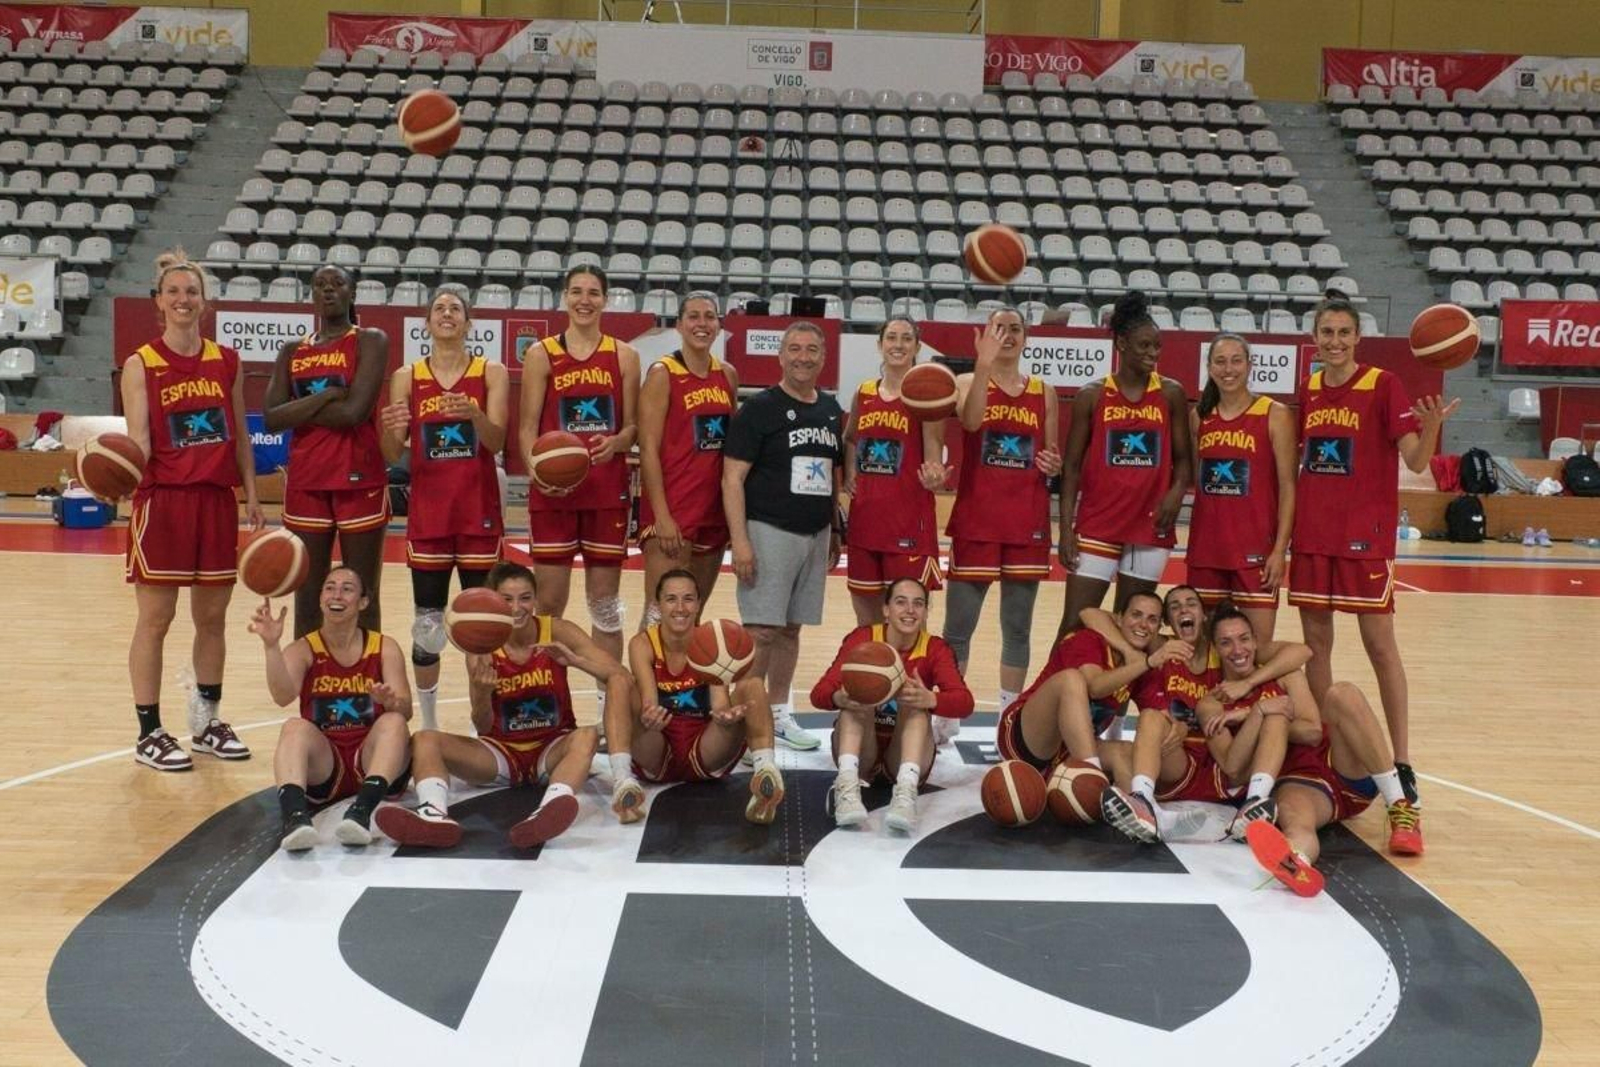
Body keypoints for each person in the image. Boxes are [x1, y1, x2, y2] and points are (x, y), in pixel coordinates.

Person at [1290, 288, 1457, 819]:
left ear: (1358, 338)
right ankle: (1331, 747)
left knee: (1380, 647)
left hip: (1364, 537)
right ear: (1314, 338)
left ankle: (1401, 759)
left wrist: (1430, 429)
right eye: (1326, 332)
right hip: (1313, 535)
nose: (1334, 341)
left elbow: (1415, 458)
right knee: (1316, 645)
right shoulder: (1310, 388)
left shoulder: (1383, 385)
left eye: (1343, 332)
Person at [121, 249, 262, 770]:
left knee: (213, 620)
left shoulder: (226, 360)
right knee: (155, 620)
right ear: (159, 301)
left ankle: (205, 723)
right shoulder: (142, 363)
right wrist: (115, 481)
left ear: (204, 302)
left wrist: (250, 493)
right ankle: (149, 732)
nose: (183, 299)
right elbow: (138, 441)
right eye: (173, 292)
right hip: (164, 502)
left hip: (215, 501)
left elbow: (240, 433)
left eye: (191, 292)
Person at [375, 562, 619, 849]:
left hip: (552, 750)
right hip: (500, 754)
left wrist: (577, 662)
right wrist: (480, 693)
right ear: (493, 603)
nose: (517, 607)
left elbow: (617, 673)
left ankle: (549, 809)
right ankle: (433, 813)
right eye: (507, 599)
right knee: (425, 739)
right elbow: (481, 725)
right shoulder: (481, 645)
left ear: (536, 599)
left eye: (526, 598)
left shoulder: (558, 631)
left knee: (587, 735)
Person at [378, 288, 509, 731]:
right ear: (427, 323)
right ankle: (430, 726)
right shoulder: (406, 376)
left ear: (469, 323)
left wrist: (474, 414)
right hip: (430, 514)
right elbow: (392, 451)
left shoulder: (490, 371)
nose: (448, 313)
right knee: (427, 627)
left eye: (456, 308)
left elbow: (497, 442)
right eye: (440, 308)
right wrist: (390, 430)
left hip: (478, 512)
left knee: (483, 628)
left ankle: (482, 725)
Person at [1099, 596, 1313, 844]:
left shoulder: (1262, 666)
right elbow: (1091, 614)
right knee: (1148, 718)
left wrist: (1253, 704)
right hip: (1186, 760)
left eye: (1244, 639)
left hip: (1233, 772)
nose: (1237, 648)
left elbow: (1304, 652)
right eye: (1176, 607)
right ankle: (1143, 801)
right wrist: (1257, 712)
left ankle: (1255, 803)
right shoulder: (1174, 659)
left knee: (1275, 716)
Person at [721, 321, 844, 751]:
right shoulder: (759, 409)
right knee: (761, 633)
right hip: (768, 530)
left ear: (824, 358)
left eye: (812, 350)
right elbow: (732, 478)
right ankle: (750, 725)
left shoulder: (830, 409)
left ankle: (777, 714)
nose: (803, 357)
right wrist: (740, 541)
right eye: (794, 349)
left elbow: (832, 473)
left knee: (791, 631)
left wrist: (835, 528)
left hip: (815, 533)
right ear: (781, 355)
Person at [942, 308, 1061, 715]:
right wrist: (983, 365)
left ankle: (1008, 714)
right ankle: (949, 711)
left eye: (1015, 329)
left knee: (1017, 628)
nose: (1007, 335)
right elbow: (972, 423)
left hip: (1026, 520)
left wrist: (1053, 465)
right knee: (958, 629)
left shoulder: (1044, 391)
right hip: (977, 518)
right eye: (999, 328)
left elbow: (1051, 455)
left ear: (1026, 338)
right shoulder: (967, 381)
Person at [518, 265, 640, 664]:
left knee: (604, 603)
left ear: (605, 300)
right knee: (549, 602)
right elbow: (526, 429)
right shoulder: (542, 354)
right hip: (554, 494)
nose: (584, 300)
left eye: (593, 292)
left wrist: (618, 441)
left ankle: (609, 700)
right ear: (565, 298)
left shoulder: (625, 355)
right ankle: (547, 695)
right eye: (576, 292)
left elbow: (632, 428)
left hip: (606, 491)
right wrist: (538, 473)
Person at [1056, 290, 1193, 640]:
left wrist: (1177, 492)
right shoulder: (1093, 394)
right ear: (1121, 344)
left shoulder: (1170, 393)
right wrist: (1067, 529)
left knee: (1134, 631)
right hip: (1098, 523)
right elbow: (1070, 467)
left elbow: (1184, 460)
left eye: (1157, 346)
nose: (1152, 354)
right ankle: (1054, 693)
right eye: (1144, 346)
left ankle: (1112, 696)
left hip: (1150, 527)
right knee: (1076, 626)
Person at [264, 264, 390, 638]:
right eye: (320, 285)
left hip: (358, 476)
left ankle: (365, 677)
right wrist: (330, 394)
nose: (328, 290)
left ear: (352, 292)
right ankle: (311, 682)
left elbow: (356, 413)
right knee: (308, 593)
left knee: (363, 592)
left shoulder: (371, 340)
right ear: (312, 295)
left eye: (338, 283)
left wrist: (302, 408)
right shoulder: (292, 351)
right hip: (306, 480)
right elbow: (271, 418)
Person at [251, 566, 412, 851]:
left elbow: (406, 709)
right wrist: (271, 646)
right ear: (320, 598)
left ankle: (361, 814)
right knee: (294, 726)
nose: (337, 594)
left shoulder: (384, 647)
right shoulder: (304, 648)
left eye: (347, 588)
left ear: (363, 602)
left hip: (371, 757)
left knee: (395, 722)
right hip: (327, 763)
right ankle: (296, 819)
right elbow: (281, 696)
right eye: (330, 587)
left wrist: (390, 702)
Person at [610, 570, 786, 825]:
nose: (680, 607)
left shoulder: (712, 640)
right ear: (657, 605)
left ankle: (766, 773)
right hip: (657, 746)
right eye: (671, 599)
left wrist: (726, 718)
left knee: (754, 685)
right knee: (618, 681)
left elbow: (719, 704)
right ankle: (622, 781)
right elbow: (649, 701)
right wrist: (649, 716)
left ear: (699, 604)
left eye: (688, 599)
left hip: (705, 748)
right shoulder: (642, 644)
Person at [810, 578, 973, 833]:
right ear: (886, 609)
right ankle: (847, 787)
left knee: (914, 700)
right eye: (901, 602)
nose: (910, 610)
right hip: (864, 750)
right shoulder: (863, 639)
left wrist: (932, 699)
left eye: (918, 604)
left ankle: (905, 794)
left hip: (904, 754)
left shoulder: (935, 648)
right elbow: (818, 693)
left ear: (926, 612)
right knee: (856, 698)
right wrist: (838, 698)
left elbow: (965, 703)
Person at [1186, 333, 1297, 641]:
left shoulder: (1275, 414)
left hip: (1256, 555)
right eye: (1220, 362)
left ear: (1250, 365)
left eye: (1236, 361)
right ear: (1209, 368)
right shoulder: (1199, 417)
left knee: (1256, 651)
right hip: (1206, 552)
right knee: (1206, 652)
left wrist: (1279, 550)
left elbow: (1288, 488)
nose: (1228, 369)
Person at [636, 292, 738, 626]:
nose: (702, 323)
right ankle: (646, 679)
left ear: (719, 325)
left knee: (691, 615)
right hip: (674, 510)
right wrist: (661, 515)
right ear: (679, 325)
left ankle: (684, 679)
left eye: (709, 316)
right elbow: (647, 447)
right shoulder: (662, 373)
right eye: (693, 316)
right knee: (658, 615)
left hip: (713, 510)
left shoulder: (727, 374)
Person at [996, 591, 1167, 783]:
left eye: (1152, 620)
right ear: (1118, 619)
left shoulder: (1144, 663)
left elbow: (1159, 712)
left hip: (1070, 749)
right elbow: (1095, 687)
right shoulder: (1088, 639)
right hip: (1027, 738)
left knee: (1125, 752)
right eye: (1136, 615)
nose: (1143, 624)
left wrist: (1178, 725)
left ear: (1158, 628)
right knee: (1072, 679)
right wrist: (1145, 663)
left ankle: (1140, 807)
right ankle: (1092, 776)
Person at [841, 318, 947, 626]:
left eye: (905, 338)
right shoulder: (863, 393)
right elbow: (850, 439)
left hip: (908, 525)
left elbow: (933, 457)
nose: (898, 345)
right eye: (891, 337)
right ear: (879, 344)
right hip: (866, 522)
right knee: (867, 621)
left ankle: (912, 676)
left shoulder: (928, 396)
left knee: (910, 620)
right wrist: (850, 473)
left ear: (917, 346)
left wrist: (934, 476)